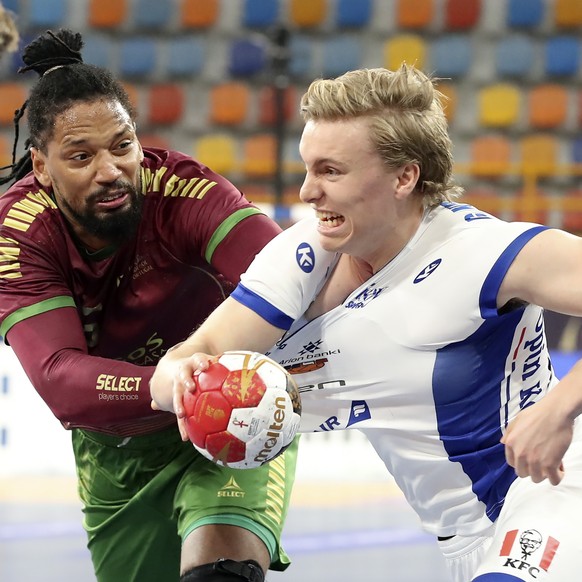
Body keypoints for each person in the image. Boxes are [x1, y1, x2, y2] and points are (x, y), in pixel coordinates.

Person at [151, 63, 582, 581]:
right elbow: (186, 360)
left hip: (552, 493)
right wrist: (185, 381)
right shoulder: (300, 255)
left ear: (404, 177)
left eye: (331, 171)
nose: (308, 191)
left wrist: (559, 407)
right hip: (463, 538)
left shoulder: (482, 254)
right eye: (308, 168)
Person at [0, 28, 298, 582]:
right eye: (81, 156)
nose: (111, 169)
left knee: (222, 572)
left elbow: (282, 270)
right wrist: (160, 386)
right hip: (118, 449)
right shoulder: (20, 236)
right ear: (41, 168)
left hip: (229, 409)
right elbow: (58, 376)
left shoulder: (181, 189)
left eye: (122, 145)